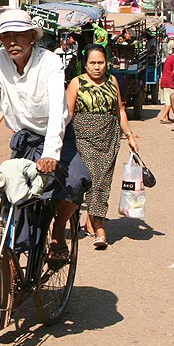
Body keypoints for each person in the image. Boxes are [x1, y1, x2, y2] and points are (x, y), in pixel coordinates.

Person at [0, 9, 91, 259]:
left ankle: (58, 229)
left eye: (18, 35)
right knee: (15, 197)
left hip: (57, 135)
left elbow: (57, 111)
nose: (12, 42)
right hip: (25, 139)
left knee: (76, 181)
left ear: (32, 37)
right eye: (6, 37)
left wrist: (51, 153)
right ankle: (14, 262)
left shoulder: (50, 62)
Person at [66, 45, 139, 249]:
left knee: (103, 182)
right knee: (93, 180)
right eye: (92, 63)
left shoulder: (112, 81)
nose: (97, 67)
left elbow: (120, 111)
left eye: (101, 63)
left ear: (107, 63)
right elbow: (68, 114)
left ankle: (91, 220)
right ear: (85, 64)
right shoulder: (77, 83)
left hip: (109, 139)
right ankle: (99, 227)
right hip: (83, 139)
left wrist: (130, 136)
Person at [157, 42, 174, 124]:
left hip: (164, 80)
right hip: (169, 81)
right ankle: (163, 117)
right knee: (170, 102)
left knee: (167, 99)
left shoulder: (169, 57)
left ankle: (167, 117)